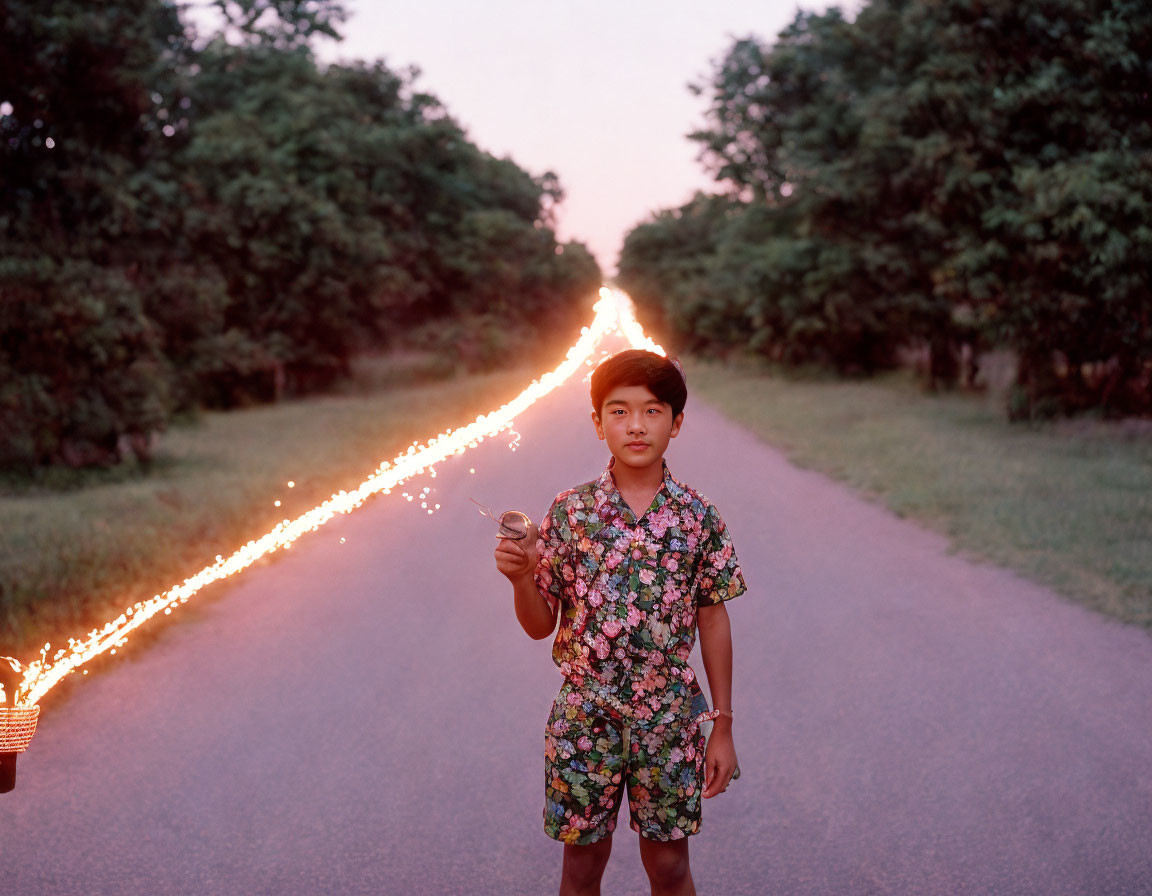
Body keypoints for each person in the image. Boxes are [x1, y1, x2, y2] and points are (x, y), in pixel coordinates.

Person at [494, 349, 747, 896]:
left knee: (670, 867)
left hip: (670, 720)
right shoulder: (569, 513)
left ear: (677, 423)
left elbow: (713, 618)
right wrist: (521, 578)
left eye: (653, 411)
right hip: (585, 718)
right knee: (582, 868)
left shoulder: (698, 517)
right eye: (619, 411)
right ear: (597, 422)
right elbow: (540, 626)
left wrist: (721, 726)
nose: (636, 426)